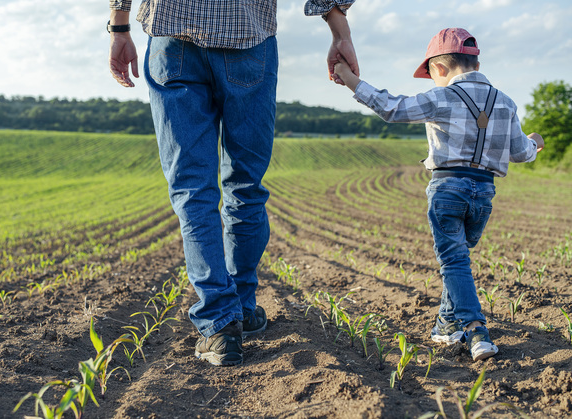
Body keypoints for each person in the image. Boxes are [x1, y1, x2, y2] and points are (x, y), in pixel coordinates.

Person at [108, 1, 359, 366]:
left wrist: (120, 26)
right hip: (246, 38)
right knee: (245, 186)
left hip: (171, 39)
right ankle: (240, 305)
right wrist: (340, 31)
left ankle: (220, 324)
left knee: (192, 190)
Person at [333, 28, 544, 361]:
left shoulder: (441, 96)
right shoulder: (505, 102)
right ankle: (446, 326)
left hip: (447, 189)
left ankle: (477, 332)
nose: (432, 81)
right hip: (484, 195)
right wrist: (535, 141)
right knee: (458, 258)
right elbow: (521, 152)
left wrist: (350, 80)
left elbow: (392, 108)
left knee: (454, 262)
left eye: (430, 74)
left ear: (440, 68)